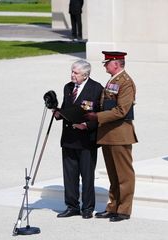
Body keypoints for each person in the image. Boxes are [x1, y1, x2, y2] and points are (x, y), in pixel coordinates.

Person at [85, 51, 138, 222]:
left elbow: (122, 110)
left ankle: (124, 210)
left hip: (120, 134)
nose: (104, 65)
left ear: (116, 63)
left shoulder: (126, 83)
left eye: (106, 62)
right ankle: (113, 206)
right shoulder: (113, 81)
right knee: (113, 174)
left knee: (124, 174)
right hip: (108, 133)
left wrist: (97, 117)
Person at [54, 60, 103, 219]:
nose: (72, 75)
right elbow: (66, 108)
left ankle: (87, 207)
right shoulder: (68, 87)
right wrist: (57, 113)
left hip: (86, 140)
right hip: (69, 138)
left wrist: (87, 125)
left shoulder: (96, 89)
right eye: (72, 72)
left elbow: (100, 115)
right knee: (69, 175)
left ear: (85, 74)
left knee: (87, 175)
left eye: (76, 73)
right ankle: (72, 206)